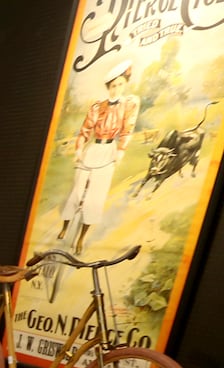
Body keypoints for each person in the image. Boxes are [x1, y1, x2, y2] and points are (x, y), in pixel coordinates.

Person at [58, 59, 139, 254]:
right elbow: (85, 129)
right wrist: (79, 149)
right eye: (112, 86)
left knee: (95, 197)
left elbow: (127, 130)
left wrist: (120, 151)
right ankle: (65, 227)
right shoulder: (97, 106)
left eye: (120, 85)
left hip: (109, 151)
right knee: (77, 192)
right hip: (93, 149)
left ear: (125, 84)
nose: (116, 89)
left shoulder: (128, 105)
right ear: (108, 87)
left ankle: (81, 238)